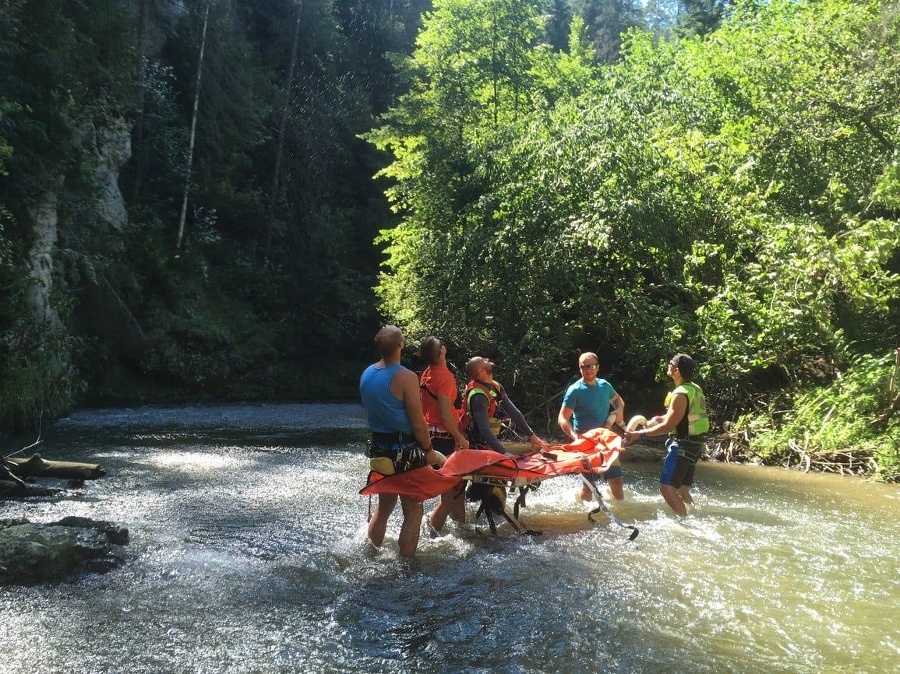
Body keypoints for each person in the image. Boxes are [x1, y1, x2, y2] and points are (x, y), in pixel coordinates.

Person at [359, 325, 445, 557]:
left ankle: (370, 555)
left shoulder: (366, 373)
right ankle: (406, 567)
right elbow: (418, 423)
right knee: (413, 510)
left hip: (379, 449)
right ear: (401, 345)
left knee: (384, 507)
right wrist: (428, 449)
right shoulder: (406, 377)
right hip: (405, 451)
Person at [624, 353, 709, 516]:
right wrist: (654, 420)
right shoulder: (694, 389)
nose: (668, 365)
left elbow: (669, 425)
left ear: (676, 369)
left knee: (667, 488)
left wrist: (639, 434)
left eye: (670, 363)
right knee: (683, 489)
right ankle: (694, 515)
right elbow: (677, 416)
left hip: (683, 446)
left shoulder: (679, 394)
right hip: (695, 446)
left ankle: (686, 522)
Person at [558, 352, 627, 502]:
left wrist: (619, 410)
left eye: (591, 366)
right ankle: (585, 516)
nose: (588, 369)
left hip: (606, 440)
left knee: (616, 480)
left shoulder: (604, 385)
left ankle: (621, 512)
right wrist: (575, 438)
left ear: (598, 368)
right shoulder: (575, 390)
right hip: (586, 442)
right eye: (584, 367)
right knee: (589, 485)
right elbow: (562, 418)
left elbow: (618, 400)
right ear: (580, 368)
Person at [418, 336, 468, 534]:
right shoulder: (445, 377)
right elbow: (446, 415)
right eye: (441, 344)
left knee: (457, 487)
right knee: (451, 493)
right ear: (441, 352)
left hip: (430, 436)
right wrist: (460, 438)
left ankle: (462, 528)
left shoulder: (426, 374)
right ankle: (429, 531)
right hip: (444, 437)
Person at [463, 356, 549, 454]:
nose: (487, 359)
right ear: (481, 371)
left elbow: (514, 413)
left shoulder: (496, 386)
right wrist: (504, 453)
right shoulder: (478, 396)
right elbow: (484, 430)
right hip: (477, 447)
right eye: (484, 360)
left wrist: (532, 435)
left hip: (490, 443)